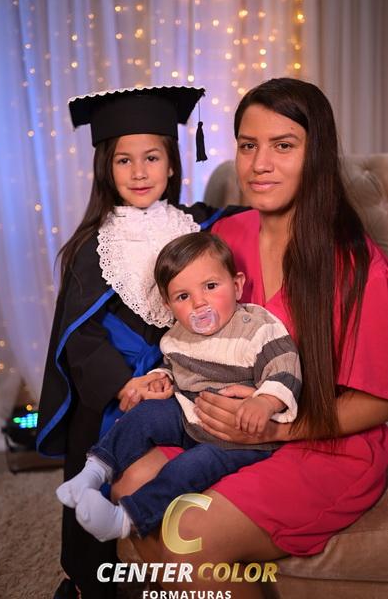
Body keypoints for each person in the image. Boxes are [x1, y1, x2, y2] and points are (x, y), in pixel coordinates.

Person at [112, 78, 388, 598]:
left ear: (317, 154)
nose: (260, 164)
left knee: (186, 539)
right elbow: (193, 341)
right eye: (247, 145)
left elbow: (378, 402)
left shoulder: (359, 267)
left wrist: (276, 429)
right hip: (220, 434)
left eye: (283, 145)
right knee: (129, 485)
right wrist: (160, 381)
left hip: (323, 444)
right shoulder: (224, 241)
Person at [35, 85, 240, 599]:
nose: (140, 172)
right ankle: (91, 583)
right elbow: (81, 338)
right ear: (107, 168)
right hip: (117, 388)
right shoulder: (92, 246)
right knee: (98, 484)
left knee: (180, 486)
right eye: (124, 160)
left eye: (152, 157)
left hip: (183, 378)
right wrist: (124, 384)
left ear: (172, 162)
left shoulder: (199, 225)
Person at [55, 231, 301, 542]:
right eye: (183, 297)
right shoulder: (178, 336)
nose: (199, 303)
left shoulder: (257, 327)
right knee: (144, 415)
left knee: (189, 467)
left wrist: (264, 402)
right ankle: (93, 472)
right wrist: (163, 377)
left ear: (237, 285)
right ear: (169, 304)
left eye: (211, 287)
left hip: (236, 439)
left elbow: (285, 368)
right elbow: (176, 367)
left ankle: (127, 519)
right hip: (189, 414)